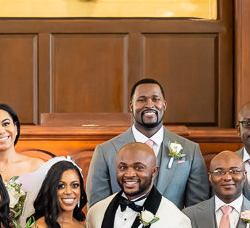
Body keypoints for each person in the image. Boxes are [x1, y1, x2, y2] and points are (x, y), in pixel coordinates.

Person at [87, 78, 209, 208]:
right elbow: (97, 210)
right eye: (142, 100)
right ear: (131, 106)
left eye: (156, 99)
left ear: (164, 105)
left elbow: (197, 209)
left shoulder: (190, 150)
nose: (149, 104)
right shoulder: (106, 152)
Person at [0, 104, 68, 226]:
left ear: (16, 128)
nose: (0, 131)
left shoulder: (38, 166)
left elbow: (50, 211)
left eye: (6, 124)